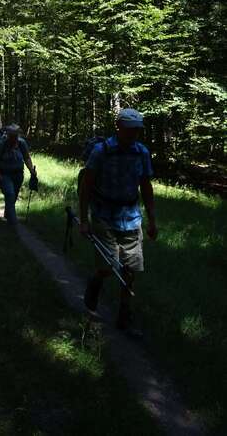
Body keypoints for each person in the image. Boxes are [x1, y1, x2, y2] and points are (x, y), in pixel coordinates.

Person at [78, 108, 157, 333]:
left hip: (131, 218)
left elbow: (146, 187)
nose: (134, 135)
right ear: (119, 128)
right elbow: (86, 187)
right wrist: (84, 220)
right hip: (104, 216)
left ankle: (124, 316)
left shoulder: (141, 152)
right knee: (107, 267)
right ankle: (93, 291)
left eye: (138, 131)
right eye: (131, 130)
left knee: (130, 269)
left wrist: (152, 220)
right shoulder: (101, 152)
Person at [0, 124, 36, 225]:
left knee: (14, 195)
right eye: (12, 135)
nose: (14, 138)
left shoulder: (21, 143)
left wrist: (31, 170)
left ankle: (8, 215)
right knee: (10, 194)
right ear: (8, 135)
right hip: (5, 174)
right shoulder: (2, 144)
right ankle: (13, 222)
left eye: (16, 135)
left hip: (18, 175)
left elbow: (27, 158)